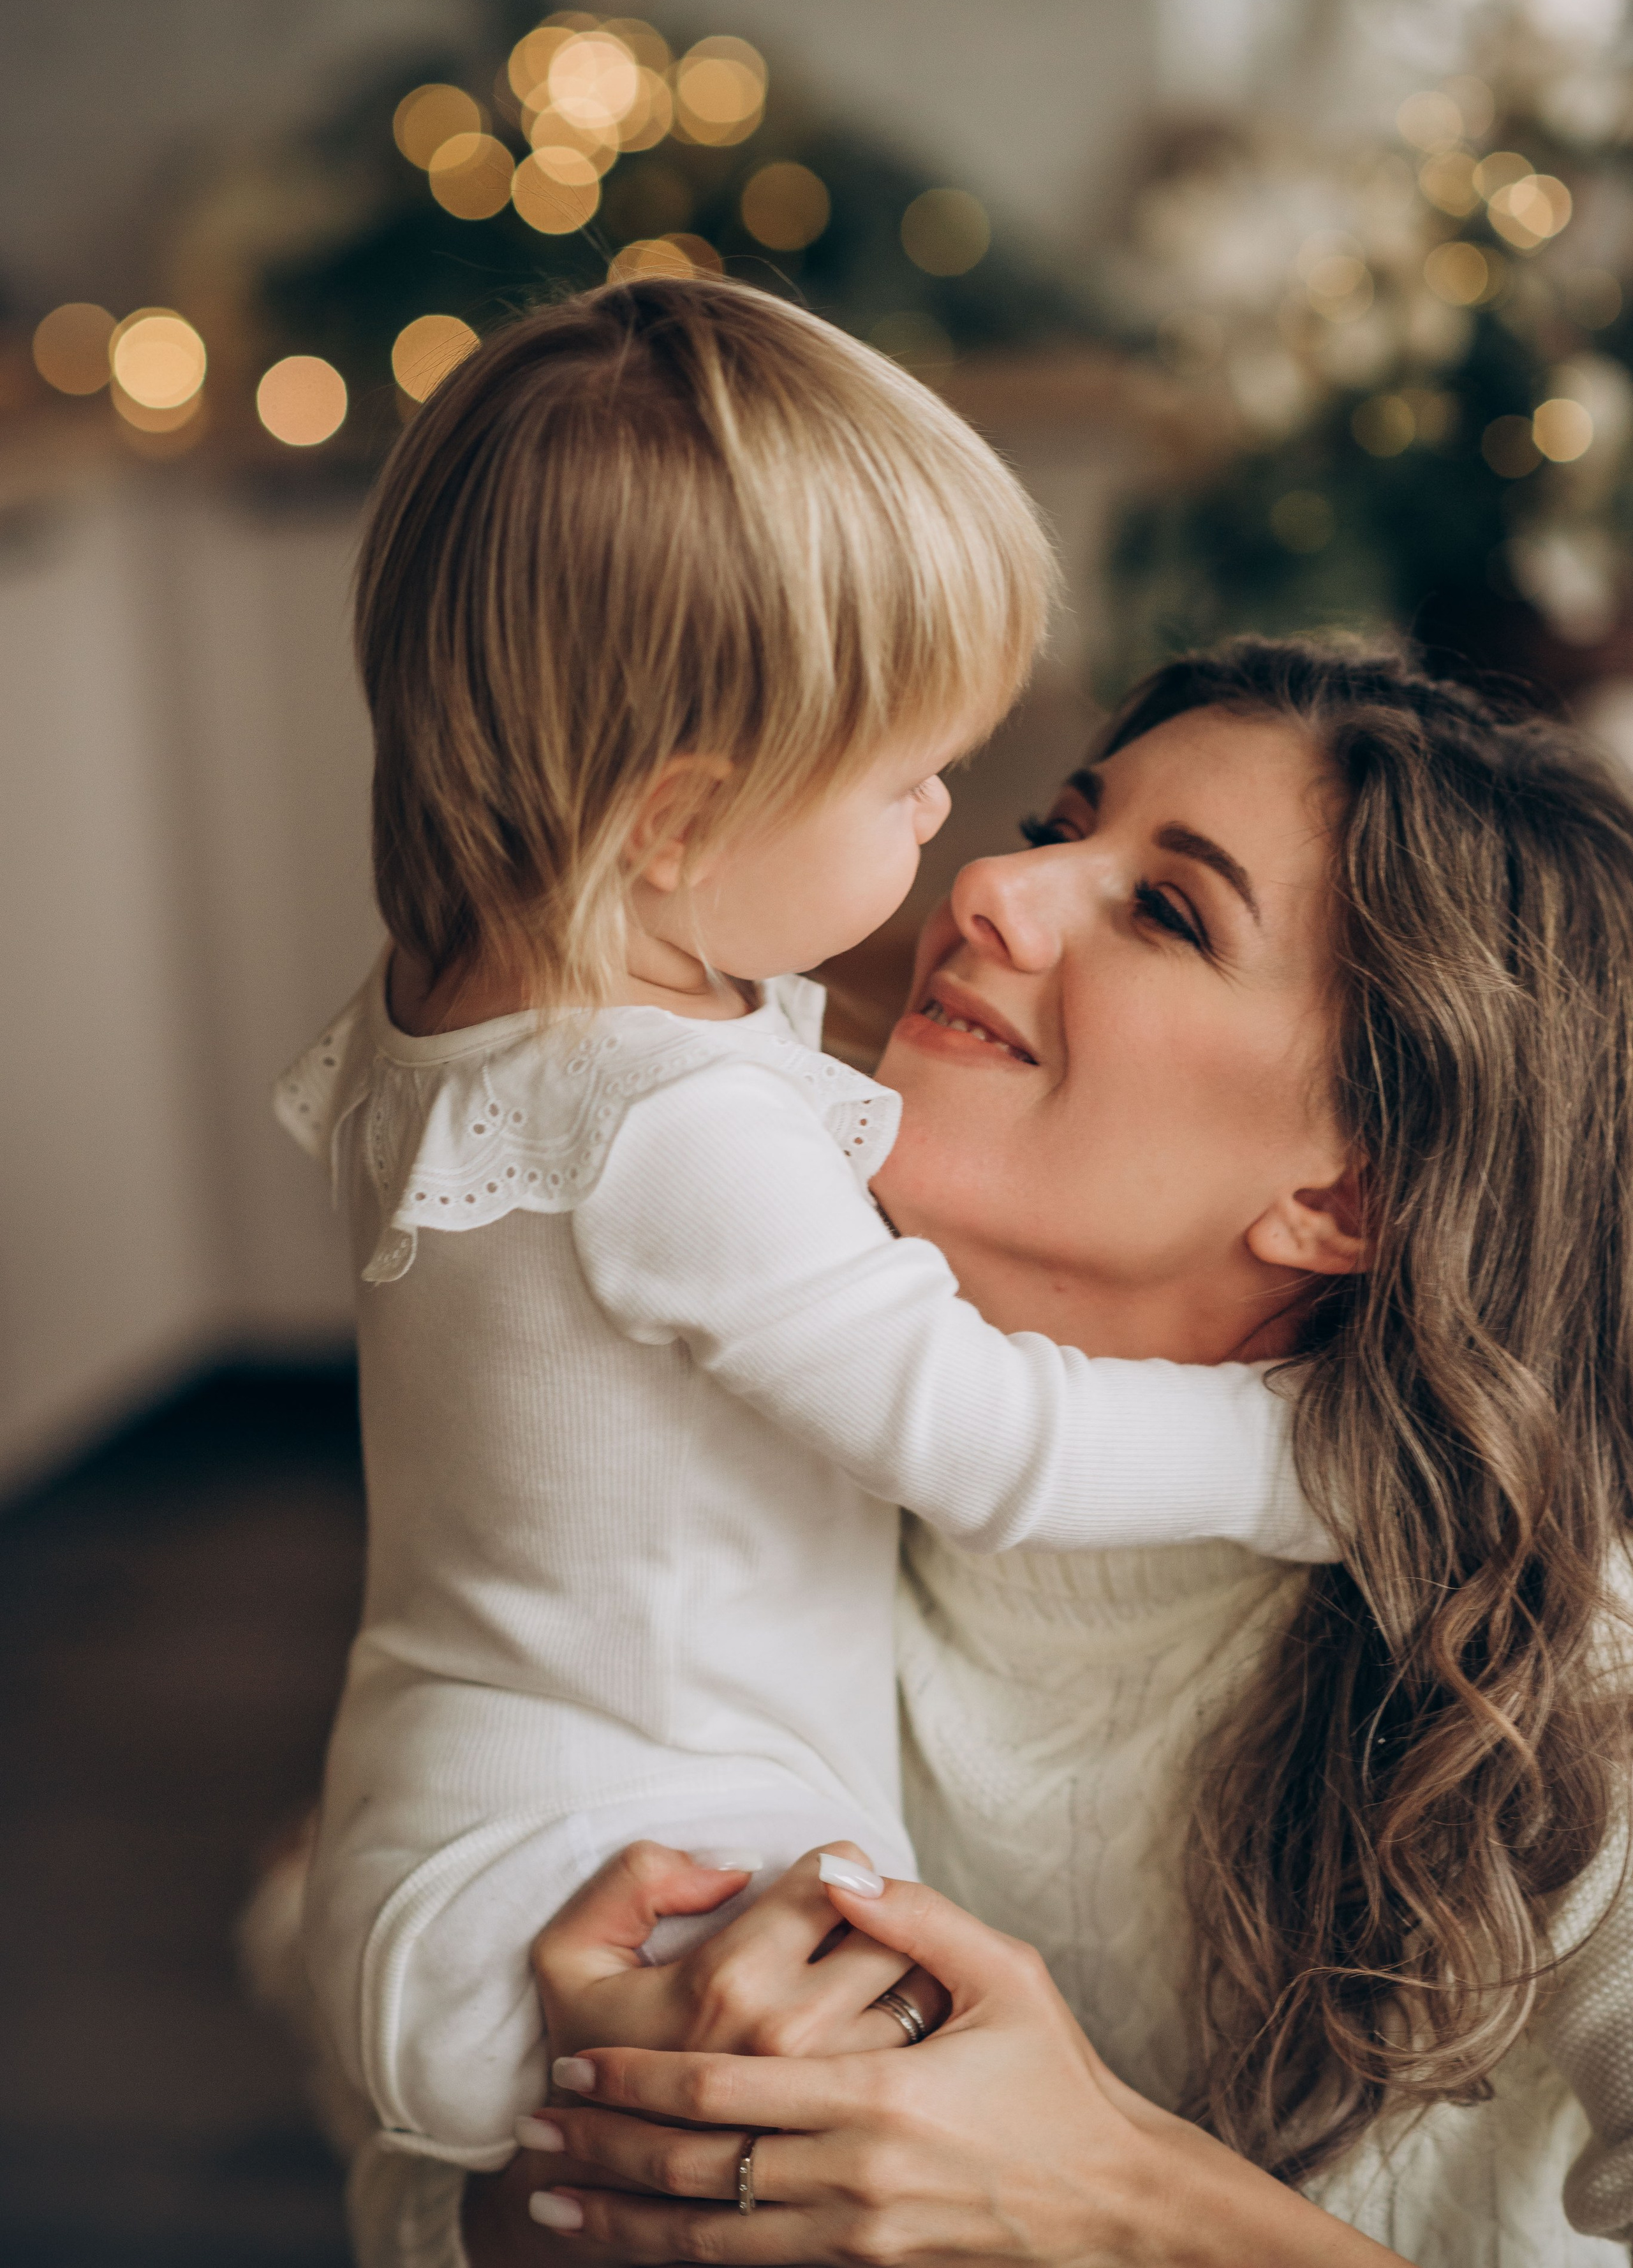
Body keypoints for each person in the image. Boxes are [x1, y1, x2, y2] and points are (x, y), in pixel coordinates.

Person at [392, 638, 1633, 2268]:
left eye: (1166, 911)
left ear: (1345, 1196)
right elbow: (428, 2205)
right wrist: (598, 2151)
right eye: (1059, 828)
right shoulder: (720, 1421)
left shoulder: (1558, 1663)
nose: (987, 881)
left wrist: (1112, 2197)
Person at [276, 285, 1324, 2182]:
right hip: (629, 1867)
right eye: (911, 775)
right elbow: (984, 1435)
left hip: (455, 1821)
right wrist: (1305, 1452)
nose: (962, 836)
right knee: (945, 2128)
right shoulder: (665, 1125)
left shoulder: (461, 1011)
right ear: (676, 822)